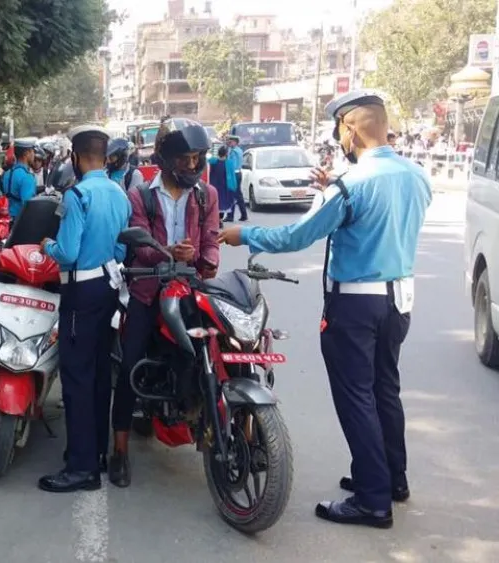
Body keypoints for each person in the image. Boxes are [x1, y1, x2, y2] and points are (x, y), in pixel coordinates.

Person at [218, 90, 432, 529]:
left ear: (350, 130)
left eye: (339, 131)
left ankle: (372, 500)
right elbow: (377, 211)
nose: (339, 139)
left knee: (357, 398)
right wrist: (332, 189)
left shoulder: (350, 186)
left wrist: (245, 234)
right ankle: (391, 479)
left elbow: (296, 236)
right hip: (399, 301)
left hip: (354, 303)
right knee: (384, 390)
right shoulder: (415, 175)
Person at [108, 121, 220, 488]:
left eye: (197, 157)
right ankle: (120, 450)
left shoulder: (207, 195)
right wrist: (167, 252)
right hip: (148, 291)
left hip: (190, 291)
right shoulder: (140, 195)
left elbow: (211, 240)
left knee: (212, 352)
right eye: (185, 158)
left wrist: (206, 260)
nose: (193, 164)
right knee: (131, 366)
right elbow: (139, 246)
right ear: (167, 159)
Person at [37, 125, 131, 493]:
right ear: (104, 158)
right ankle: (97, 452)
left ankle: (81, 468)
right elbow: (122, 249)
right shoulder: (119, 193)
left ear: (76, 158)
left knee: (77, 379)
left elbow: (67, 252)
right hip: (109, 288)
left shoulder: (77, 195)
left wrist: (47, 245)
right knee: (99, 375)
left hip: (80, 294)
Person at [0, 138, 37, 220]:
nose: (34, 154)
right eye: (33, 151)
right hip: (21, 222)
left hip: (8, 219)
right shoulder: (27, 177)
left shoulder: (7, 174)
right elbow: (28, 207)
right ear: (26, 154)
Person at [208, 146, 234, 223]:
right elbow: (232, 176)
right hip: (224, 186)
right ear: (226, 154)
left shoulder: (212, 161)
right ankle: (220, 220)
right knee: (222, 204)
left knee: (215, 203)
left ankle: (217, 220)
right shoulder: (229, 163)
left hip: (213, 186)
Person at [226, 135, 248, 221]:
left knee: (231, 195)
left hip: (234, 174)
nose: (229, 143)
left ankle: (230, 216)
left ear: (235, 142)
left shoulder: (234, 152)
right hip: (238, 173)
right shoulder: (239, 150)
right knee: (238, 195)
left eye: (230, 141)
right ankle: (244, 215)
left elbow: (232, 165)